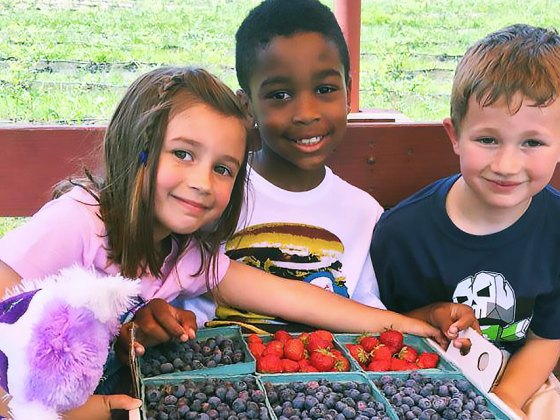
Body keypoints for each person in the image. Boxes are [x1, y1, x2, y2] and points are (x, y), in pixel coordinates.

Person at [0, 65, 446, 417]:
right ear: (136, 146)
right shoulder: (79, 222)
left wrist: (410, 327)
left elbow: (295, 298)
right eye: (183, 154)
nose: (201, 182)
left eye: (223, 168)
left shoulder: (184, 255)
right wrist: (75, 413)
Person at [179, 0, 476, 339]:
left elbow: (371, 318)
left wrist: (431, 316)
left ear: (348, 91)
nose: (306, 112)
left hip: (331, 383)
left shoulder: (363, 214)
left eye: (325, 89)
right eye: (279, 94)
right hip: (213, 379)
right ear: (247, 107)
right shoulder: (216, 192)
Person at [371, 24, 560, 419]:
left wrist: (501, 403)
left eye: (532, 142)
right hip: (423, 378)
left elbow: (545, 340)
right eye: (488, 139)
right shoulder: (402, 231)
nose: (506, 165)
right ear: (455, 134)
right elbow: (387, 327)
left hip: (520, 375)